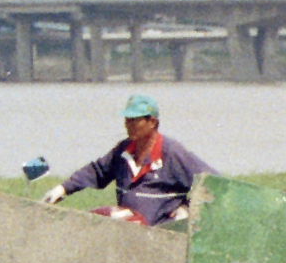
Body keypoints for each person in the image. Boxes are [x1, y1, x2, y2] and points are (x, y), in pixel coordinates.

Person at [48, 95, 209, 227]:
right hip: (127, 233)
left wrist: (188, 208)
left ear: (152, 122)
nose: (128, 125)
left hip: (162, 235)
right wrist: (63, 189)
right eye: (127, 120)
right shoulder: (123, 151)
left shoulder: (173, 153)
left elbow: (211, 183)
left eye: (135, 120)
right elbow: (97, 172)